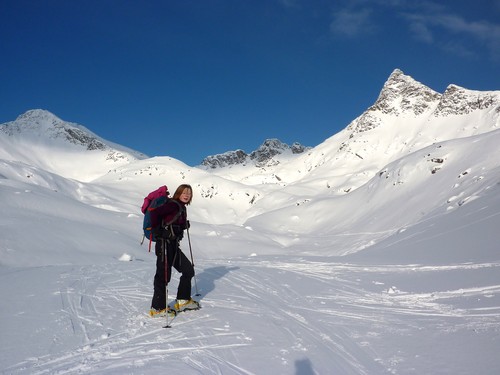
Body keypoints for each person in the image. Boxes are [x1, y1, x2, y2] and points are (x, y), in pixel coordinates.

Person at [149, 184, 199, 317]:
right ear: (178, 193)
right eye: (184, 192)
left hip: (173, 245)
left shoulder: (181, 207)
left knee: (188, 270)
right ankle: (157, 308)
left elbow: (171, 222)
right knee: (163, 276)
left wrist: (183, 225)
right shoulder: (173, 205)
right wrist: (157, 231)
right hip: (164, 244)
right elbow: (154, 213)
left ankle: (182, 300)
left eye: (189, 192)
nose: (187, 194)